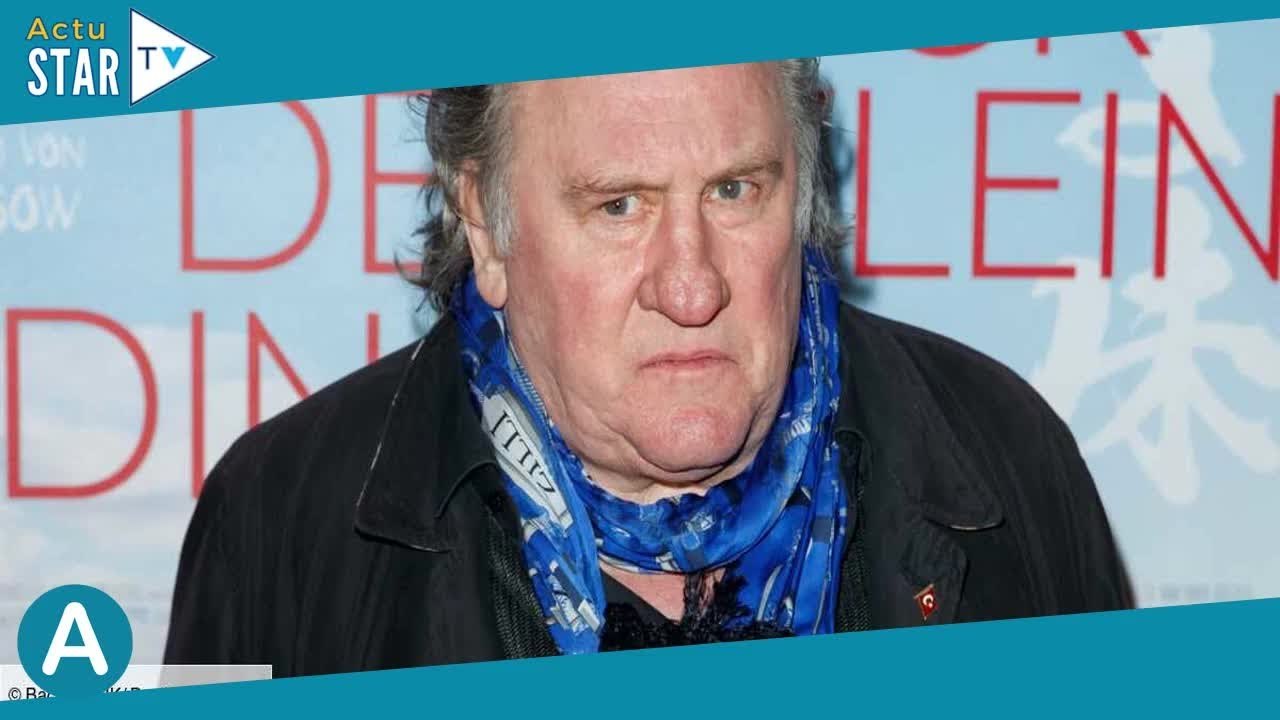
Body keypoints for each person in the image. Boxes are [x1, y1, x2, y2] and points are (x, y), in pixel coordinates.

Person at [163, 58, 1133, 675]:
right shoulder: (279, 516)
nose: (691, 286)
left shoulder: (1004, 457)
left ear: (802, 192)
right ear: (484, 225)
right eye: (618, 205)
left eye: (733, 190)